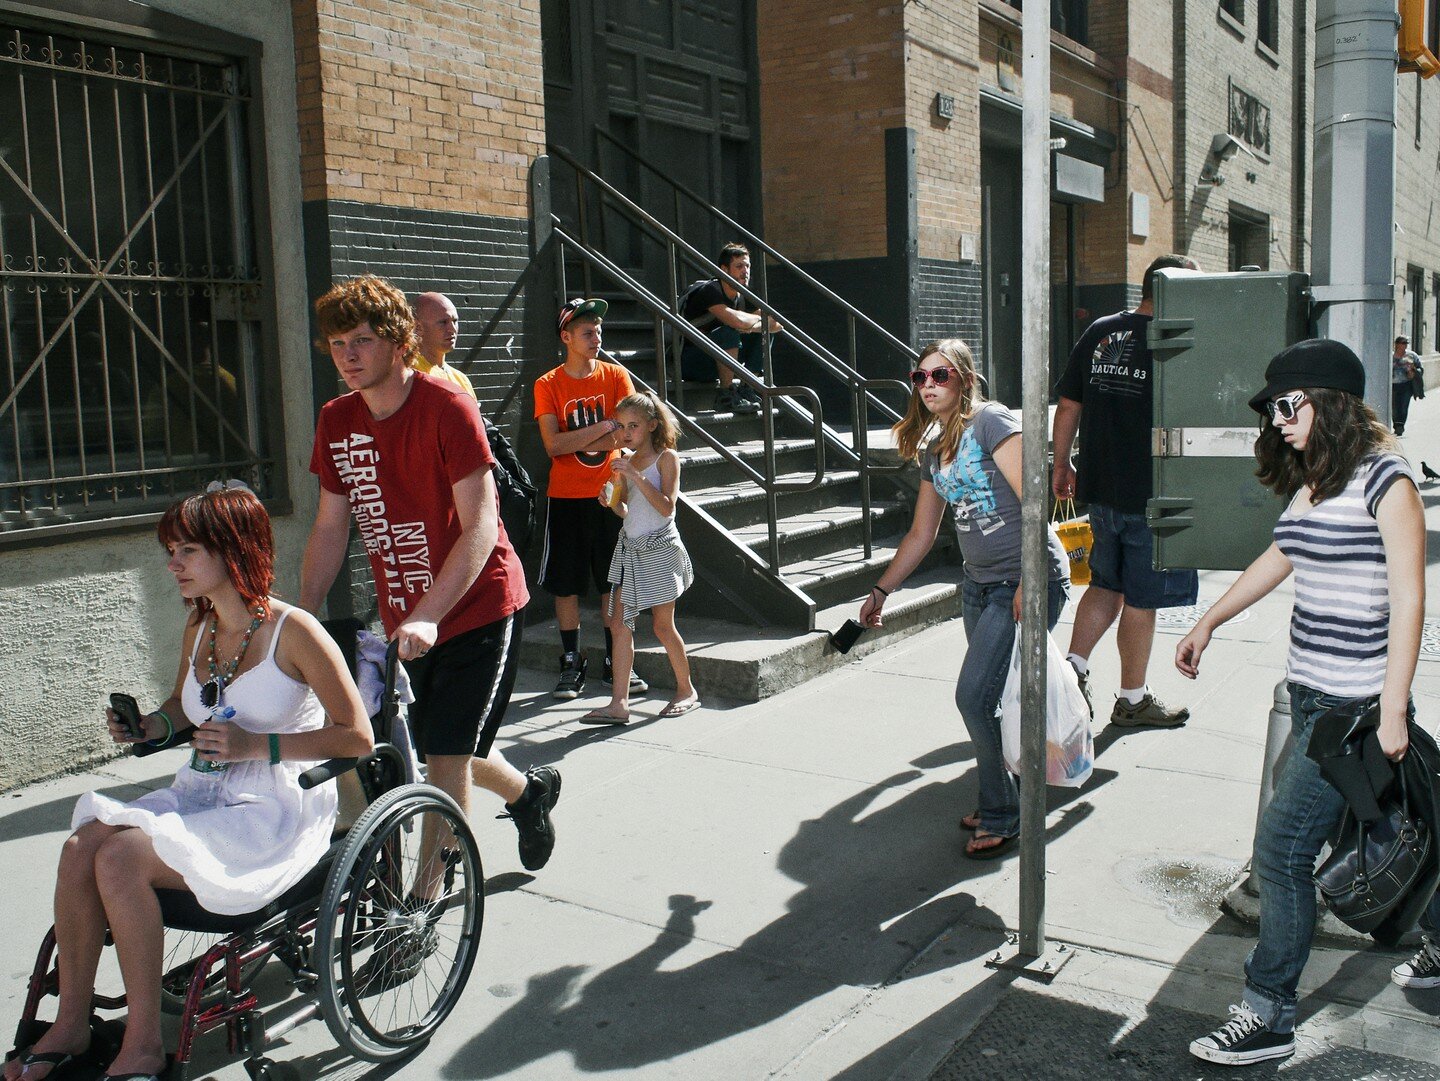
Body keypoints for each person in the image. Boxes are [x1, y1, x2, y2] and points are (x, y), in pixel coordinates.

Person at [4, 487, 375, 1081]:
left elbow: (357, 738)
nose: (172, 563)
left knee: (122, 855)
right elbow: (185, 705)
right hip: (204, 792)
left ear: (232, 552)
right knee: (81, 846)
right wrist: (152, 725)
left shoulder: (295, 631)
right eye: (171, 550)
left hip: (277, 805)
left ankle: (146, 1044)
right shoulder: (201, 628)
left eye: (187, 550)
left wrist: (259, 746)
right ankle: (71, 1022)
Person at [1175, 339, 1438, 1066]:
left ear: (1327, 402)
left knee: (1283, 849)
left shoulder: (1389, 482)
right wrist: (1209, 619)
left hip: (1354, 712)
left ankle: (1268, 1013)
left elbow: (1411, 600)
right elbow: (1280, 553)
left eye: (1286, 406)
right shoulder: (1318, 481)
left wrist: (1390, 709)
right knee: (1389, 831)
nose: (1277, 422)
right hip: (1316, 698)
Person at [300, 276, 559, 875]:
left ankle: (426, 904)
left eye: (362, 340)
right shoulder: (337, 421)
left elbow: (480, 528)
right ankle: (528, 794)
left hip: (477, 606)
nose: (349, 357)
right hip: (406, 618)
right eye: (338, 344)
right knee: (430, 748)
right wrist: (301, 614)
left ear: (398, 342)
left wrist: (428, 615)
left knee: (445, 757)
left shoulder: (447, 408)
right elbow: (331, 527)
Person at [859, 339, 1069, 860]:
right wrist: (883, 589)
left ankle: (1003, 812)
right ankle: (999, 793)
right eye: (920, 377)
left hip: (1024, 579)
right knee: (990, 699)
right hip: (978, 586)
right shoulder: (935, 449)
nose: (929, 385)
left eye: (941, 376)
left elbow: (1034, 502)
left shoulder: (992, 422)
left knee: (973, 697)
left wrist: (1030, 579)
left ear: (965, 380)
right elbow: (921, 534)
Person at [1051, 253, 1200, 729]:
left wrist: (1062, 462)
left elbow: (1068, 403)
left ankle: (1072, 673)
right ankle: (1132, 700)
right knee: (1142, 598)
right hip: (1152, 494)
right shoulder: (1179, 340)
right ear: (1175, 288)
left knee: (1104, 584)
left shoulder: (1100, 331)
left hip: (1099, 487)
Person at [534, 298, 646, 701]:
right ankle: (571, 661)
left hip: (611, 496)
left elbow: (629, 434)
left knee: (612, 581)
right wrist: (604, 427)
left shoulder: (616, 376)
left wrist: (582, 439)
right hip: (565, 497)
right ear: (566, 337)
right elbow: (552, 445)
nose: (596, 337)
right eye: (587, 331)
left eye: (599, 330)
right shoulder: (548, 384)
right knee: (566, 585)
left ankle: (617, 659)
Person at [583, 391, 699, 724]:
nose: (626, 432)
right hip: (632, 550)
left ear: (651, 425)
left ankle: (686, 690)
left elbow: (666, 507)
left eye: (633, 425)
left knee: (663, 626)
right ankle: (619, 703)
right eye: (621, 426)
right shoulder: (625, 461)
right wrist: (611, 501)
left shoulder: (666, 458)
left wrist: (634, 477)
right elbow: (626, 511)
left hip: (660, 550)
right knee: (619, 625)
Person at [679, 242, 782, 414]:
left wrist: (750, 325)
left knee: (765, 334)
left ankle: (746, 388)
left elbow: (777, 325)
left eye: (747, 266)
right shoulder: (709, 291)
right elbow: (736, 322)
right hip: (690, 361)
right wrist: (753, 322)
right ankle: (725, 395)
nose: (745, 271)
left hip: (717, 360)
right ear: (724, 270)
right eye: (739, 266)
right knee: (729, 332)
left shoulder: (743, 295)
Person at [413, 291, 474, 394]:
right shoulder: (406, 375)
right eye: (443, 322)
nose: (452, 329)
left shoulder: (462, 380)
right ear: (418, 328)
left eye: (455, 321)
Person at [1392, 334, 1420, 436]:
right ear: (1396, 344)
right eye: (1402, 343)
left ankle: (1400, 425)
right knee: (1395, 406)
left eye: (1406, 343)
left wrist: (1414, 370)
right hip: (1393, 385)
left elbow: (1420, 368)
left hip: (1406, 385)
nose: (1404, 345)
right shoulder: (1391, 356)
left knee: (1404, 406)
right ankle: (1396, 424)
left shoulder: (1412, 355)